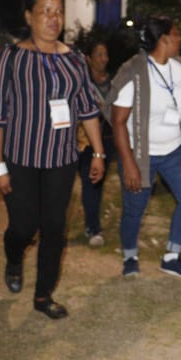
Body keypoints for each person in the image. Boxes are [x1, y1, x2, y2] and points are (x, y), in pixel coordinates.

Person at [0, 0, 106, 319]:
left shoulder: (75, 60)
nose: (54, 19)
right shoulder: (10, 58)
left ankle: (43, 296)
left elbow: (87, 109)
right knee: (24, 227)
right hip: (20, 158)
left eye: (59, 12)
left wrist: (98, 153)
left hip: (61, 159)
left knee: (54, 227)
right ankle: (14, 256)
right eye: (45, 12)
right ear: (29, 16)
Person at [106, 16, 181, 279]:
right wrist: (129, 165)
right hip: (140, 154)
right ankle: (130, 256)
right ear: (164, 40)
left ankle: (171, 257)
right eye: (177, 34)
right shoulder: (134, 73)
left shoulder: (180, 67)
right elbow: (118, 121)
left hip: (174, 150)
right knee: (135, 208)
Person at [76, 41, 116, 247]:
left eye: (105, 54)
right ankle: (92, 227)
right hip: (84, 141)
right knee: (89, 182)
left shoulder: (114, 83)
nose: (104, 59)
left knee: (97, 184)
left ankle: (92, 223)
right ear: (89, 58)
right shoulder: (81, 82)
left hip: (107, 140)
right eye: (99, 54)